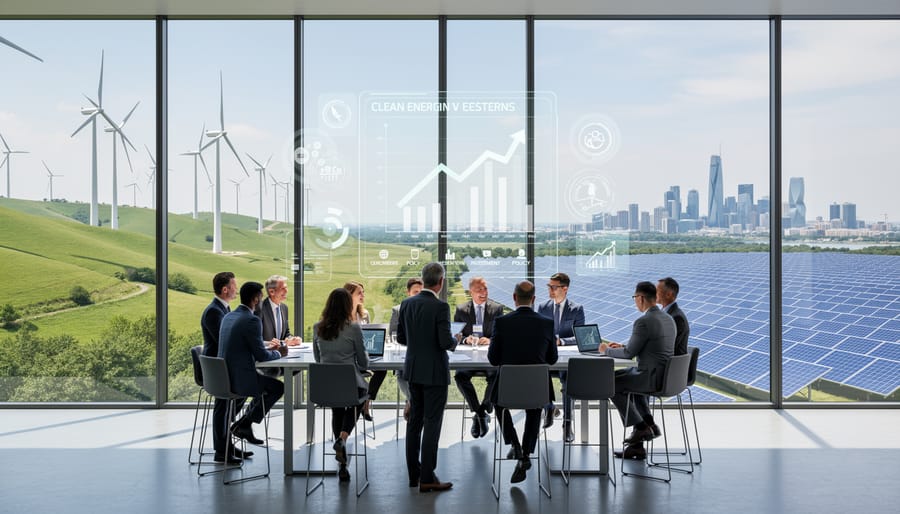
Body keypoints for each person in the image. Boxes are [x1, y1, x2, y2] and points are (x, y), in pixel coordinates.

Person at [487, 280, 558, 484]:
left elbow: (493, 359)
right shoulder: (546, 323)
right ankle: (526, 454)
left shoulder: (501, 322)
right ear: (534, 299)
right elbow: (552, 359)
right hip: (537, 390)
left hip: (508, 390)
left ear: (514, 298)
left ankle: (515, 445)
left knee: (498, 405)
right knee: (535, 409)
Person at [398, 262, 459, 493]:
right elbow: (445, 342)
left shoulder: (406, 304)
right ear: (441, 282)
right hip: (434, 373)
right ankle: (428, 477)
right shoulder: (441, 307)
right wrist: (456, 340)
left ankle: (414, 475)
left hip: (413, 371)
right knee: (432, 423)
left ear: (423, 281)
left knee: (414, 423)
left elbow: (402, 338)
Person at [600, 281, 676, 460]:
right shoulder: (668, 318)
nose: (635, 302)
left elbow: (628, 354)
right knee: (628, 385)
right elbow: (643, 346)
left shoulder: (643, 321)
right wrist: (623, 346)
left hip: (649, 377)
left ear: (641, 298)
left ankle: (641, 426)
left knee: (609, 381)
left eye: (635, 298)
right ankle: (643, 437)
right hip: (665, 376)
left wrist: (606, 350)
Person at [218, 281, 288, 448]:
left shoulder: (229, 316)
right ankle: (243, 424)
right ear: (256, 299)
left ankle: (244, 425)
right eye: (261, 297)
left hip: (224, 377)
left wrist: (266, 344)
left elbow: (244, 343)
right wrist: (279, 352)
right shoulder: (252, 320)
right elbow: (262, 356)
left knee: (268, 383)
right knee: (277, 388)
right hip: (240, 380)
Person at [313, 288, 370, 483]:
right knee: (362, 396)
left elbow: (318, 359)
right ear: (347, 306)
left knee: (337, 411)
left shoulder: (317, 327)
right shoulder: (353, 328)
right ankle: (343, 438)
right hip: (350, 385)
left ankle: (343, 466)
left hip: (327, 386)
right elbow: (364, 363)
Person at [200, 271, 251, 464]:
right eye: (234, 286)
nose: (237, 290)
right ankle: (222, 450)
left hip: (222, 367)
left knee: (240, 392)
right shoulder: (215, 312)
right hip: (217, 371)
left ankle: (227, 442)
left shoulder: (223, 309)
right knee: (225, 402)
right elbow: (225, 342)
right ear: (225, 289)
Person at [537, 272, 585, 443]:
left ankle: (567, 424)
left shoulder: (577, 309)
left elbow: (581, 336)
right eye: (549, 286)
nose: (550, 289)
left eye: (553, 287)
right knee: (539, 372)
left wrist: (561, 341)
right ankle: (549, 407)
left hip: (566, 358)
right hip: (548, 357)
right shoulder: (543, 307)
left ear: (565, 289)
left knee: (567, 378)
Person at [453, 276, 504, 439]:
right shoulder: (461, 310)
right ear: (471, 292)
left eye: (485, 289)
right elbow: (456, 334)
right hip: (469, 355)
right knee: (460, 376)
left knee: (496, 375)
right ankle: (481, 412)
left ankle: (480, 412)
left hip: (489, 356)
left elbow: (501, 334)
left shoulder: (497, 309)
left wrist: (490, 340)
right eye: (479, 290)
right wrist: (466, 339)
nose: (483, 293)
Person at [387, 277, 424, 420]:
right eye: (415, 292)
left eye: (421, 291)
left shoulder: (427, 309)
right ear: (408, 292)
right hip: (404, 352)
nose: (418, 294)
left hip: (423, 354)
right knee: (401, 374)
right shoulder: (398, 309)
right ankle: (412, 400)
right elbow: (393, 334)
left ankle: (412, 402)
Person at [344, 281, 376, 420]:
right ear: (349, 295)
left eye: (363, 292)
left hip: (363, 353)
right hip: (348, 358)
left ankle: (366, 403)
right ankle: (362, 402)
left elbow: (368, 335)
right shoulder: (339, 316)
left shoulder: (364, 314)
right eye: (359, 292)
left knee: (382, 370)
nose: (363, 295)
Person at [255, 275, 301, 347]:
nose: (286, 291)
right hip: (265, 355)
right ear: (271, 292)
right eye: (283, 288)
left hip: (281, 354)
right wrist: (275, 343)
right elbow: (254, 339)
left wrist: (292, 339)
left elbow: (286, 333)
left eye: (286, 288)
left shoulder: (284, 308)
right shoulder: (259, 309)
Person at [658, 277, 690, 356]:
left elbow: (666, 348)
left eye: (657, 291)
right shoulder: (664, 313)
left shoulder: (676, 318)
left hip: (667, 366)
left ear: (668, 294)